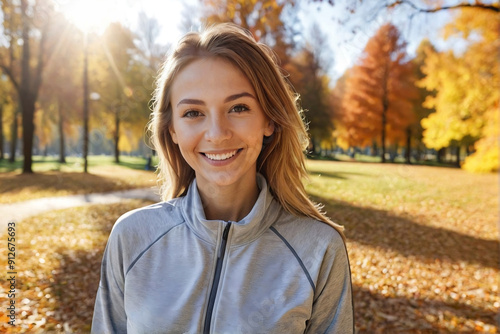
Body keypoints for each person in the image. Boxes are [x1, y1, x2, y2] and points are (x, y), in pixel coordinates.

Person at [92, 23, 354, 334]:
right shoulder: (132, 237)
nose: (217, 134)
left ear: (269, 119)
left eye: (238, 107)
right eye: (193, 113)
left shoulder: (320, 249)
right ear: (172, 129)